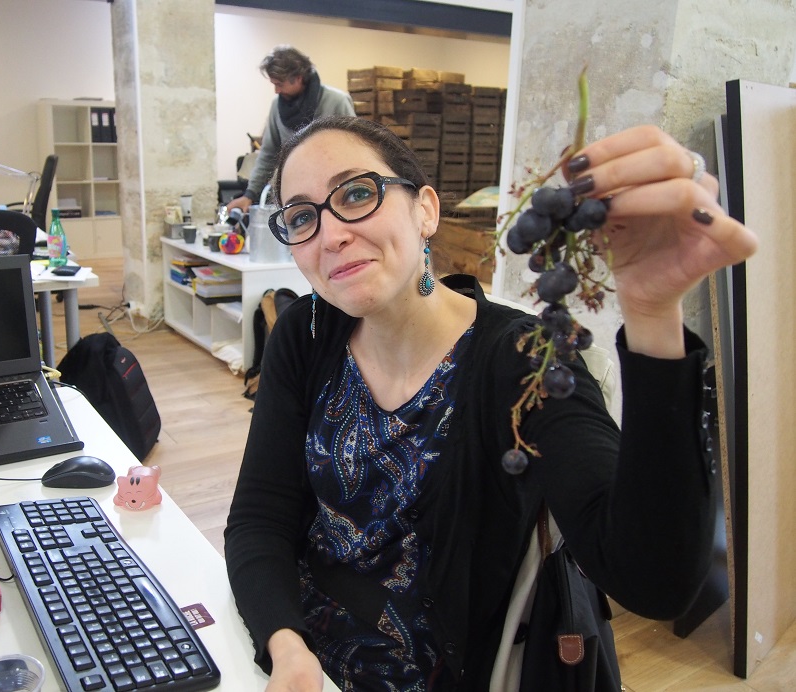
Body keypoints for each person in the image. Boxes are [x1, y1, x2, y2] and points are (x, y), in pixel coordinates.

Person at [224, 115, 758, 690]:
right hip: (300, 651)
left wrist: (653, 313)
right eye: (302, 217)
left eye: (356, 194)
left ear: (425, 210)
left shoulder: (525, 360)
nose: (330, 235)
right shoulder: (305, 333)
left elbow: (653, 580)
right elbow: (260, 518)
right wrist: (287, 647)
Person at [225, 46, 355, 214]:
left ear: (298, 78)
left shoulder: (337, 101)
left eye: (280, 84)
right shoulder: (276, 107)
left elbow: (353, 150)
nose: (276, 91)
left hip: (333, 194)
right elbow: (268, 155)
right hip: (295, 195)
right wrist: (249, 194)